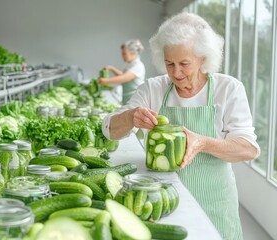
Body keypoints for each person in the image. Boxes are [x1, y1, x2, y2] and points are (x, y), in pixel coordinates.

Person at [102, 12, 260, 240]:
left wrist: (203, 142)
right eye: (169, 64)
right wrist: (131, 117)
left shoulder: (228, 89)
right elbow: (109, 130)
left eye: (184, 64)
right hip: (159, 201)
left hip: (214, 200)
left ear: (203, 58)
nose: (176, 73)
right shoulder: (153, 89)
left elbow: (248, 148)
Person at [98, 39, 145, 105]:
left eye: (124, 54)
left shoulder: (138, 66)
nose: (122, 56)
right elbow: (123, 76)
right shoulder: (131, 65)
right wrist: (112, 68)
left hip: (135, 101)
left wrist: (105, 81)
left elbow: (124, 78)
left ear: (133, 53)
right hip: (128, 99)